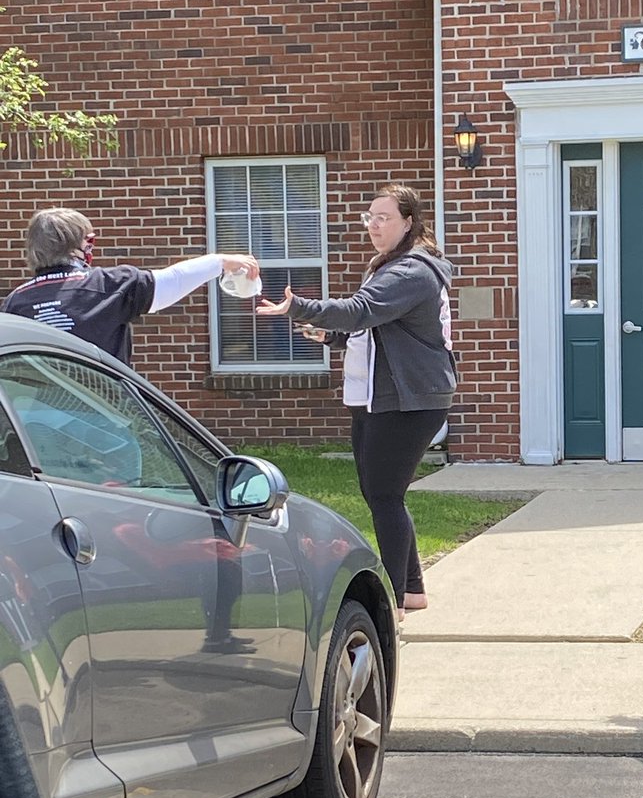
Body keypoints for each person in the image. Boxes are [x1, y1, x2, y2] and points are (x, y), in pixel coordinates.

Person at [257, 184, 455, 619]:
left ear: (408, 222)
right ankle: (413, 591)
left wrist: (298, 307)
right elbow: (371, 325)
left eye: (383, 217)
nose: (374, 225)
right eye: (369, 217)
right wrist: (329, 334)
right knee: (383, 493)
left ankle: (395, 600)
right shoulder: (391, 267)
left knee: (384, 495)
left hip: (409, 399)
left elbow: (361, 309)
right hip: (378, 395)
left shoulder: (411, 272)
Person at [1, 207, 259, 366]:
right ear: (79, 245)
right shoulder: (110, 284)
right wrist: (221, 261)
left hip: (33, 422)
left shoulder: (15, 302)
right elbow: (174, 280)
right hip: (102, 414)